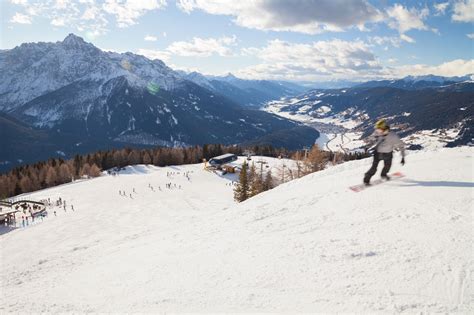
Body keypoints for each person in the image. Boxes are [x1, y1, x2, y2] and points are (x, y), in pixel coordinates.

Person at [363, 119, 406, 185]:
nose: (377, 131)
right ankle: (366, 179)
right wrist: (367, 146)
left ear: (383, 128)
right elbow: (373, 140)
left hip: (388, 154)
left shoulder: (392, 136)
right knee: (374, 168)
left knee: (387, 166)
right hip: (378, 153)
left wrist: (403, 157)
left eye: (378, 129)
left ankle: (383, 175)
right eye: (376, 129)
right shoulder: (377, 132)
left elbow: (401, 146)